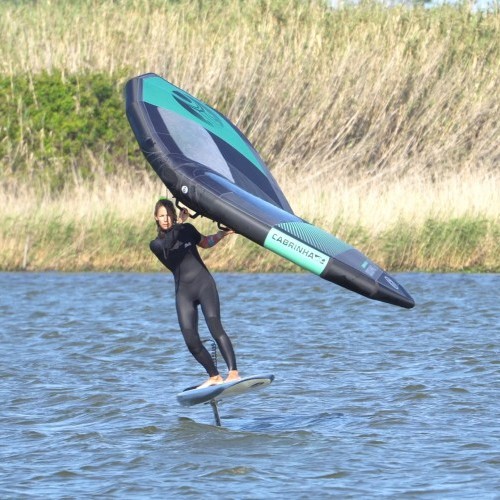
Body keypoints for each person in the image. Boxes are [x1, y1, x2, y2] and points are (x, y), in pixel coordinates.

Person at [150, 198, 240, 389]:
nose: (166, 219)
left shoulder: (187, 230)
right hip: (184, 293)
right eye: (162, 216)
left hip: (204, 284)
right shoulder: (156, 245)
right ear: (156, 218)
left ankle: (233, 372)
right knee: (191, 340)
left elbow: (205, 242)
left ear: (173, 215)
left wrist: (222, 234)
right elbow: (168, 246)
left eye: (169, 215)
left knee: (215, 328)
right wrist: (179, 224)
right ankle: (214, 376)